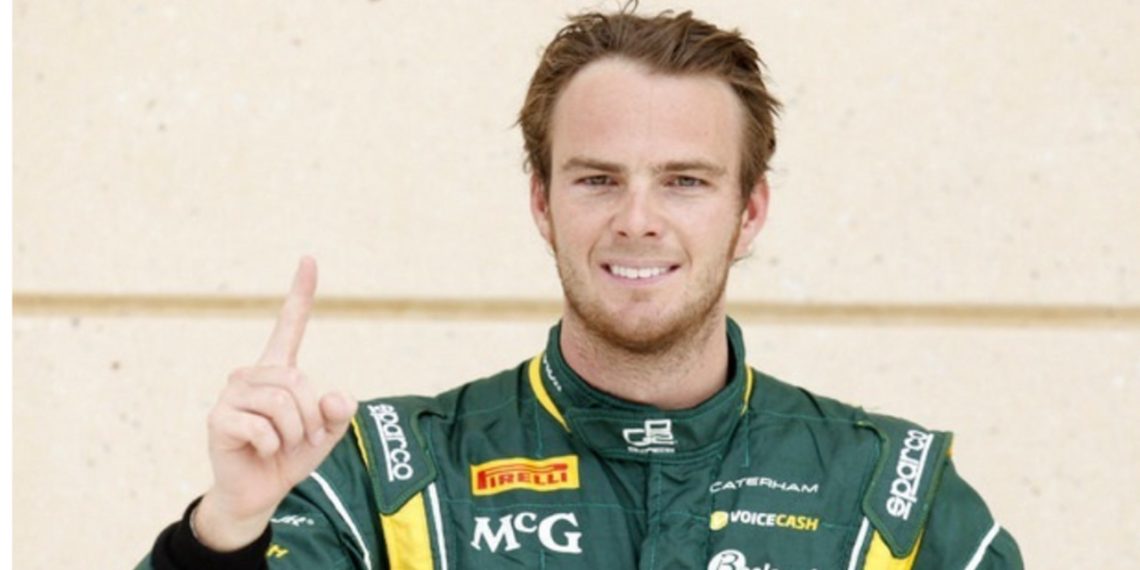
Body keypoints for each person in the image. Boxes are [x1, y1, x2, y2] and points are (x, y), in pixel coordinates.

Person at [140, 6, 1023, 570]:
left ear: (749, 211)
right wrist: (224, 533)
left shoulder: (892, 497)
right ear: (542, 201)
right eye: (598, 179)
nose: (638, 220)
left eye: (685, 181)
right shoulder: (383, 478)